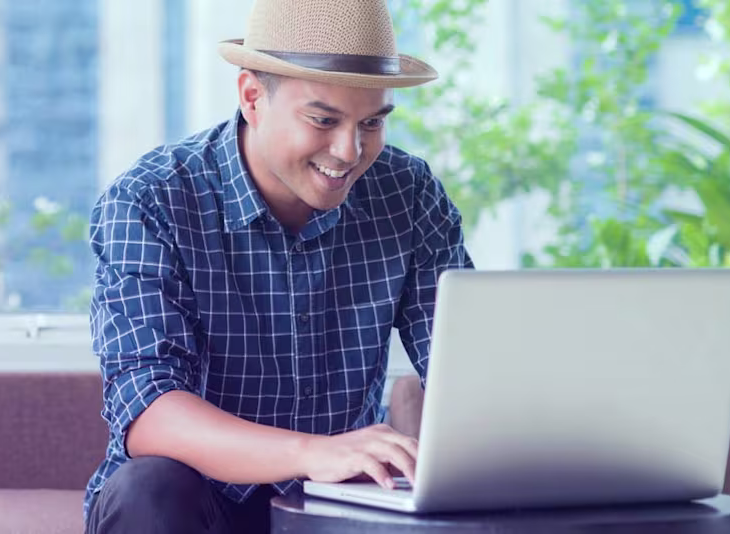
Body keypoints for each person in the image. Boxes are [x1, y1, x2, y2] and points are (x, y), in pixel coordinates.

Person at [82, 0, 475, 532]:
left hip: (338, 503)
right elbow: (149, 410)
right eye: (323, 120)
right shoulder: (151, 200)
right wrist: (312, 452)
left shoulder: (408, 193)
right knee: (148, 489)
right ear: (252, 98)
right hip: (194, 504)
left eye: (372, 123)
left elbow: (466, 370)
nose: (349, 151)